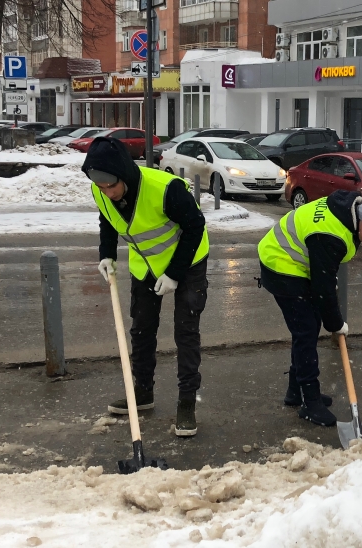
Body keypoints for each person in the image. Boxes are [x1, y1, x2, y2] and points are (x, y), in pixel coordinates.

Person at [82, 137, 210, 437]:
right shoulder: (101, 192)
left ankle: (187, 403)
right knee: (141, 328)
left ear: (124, 175)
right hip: (146, 266)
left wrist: (175, 274)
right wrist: (107, 255)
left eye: (111, 186)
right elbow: (107, 220)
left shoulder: (166, 189)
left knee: (185, 332)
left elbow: (195, 227)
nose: (107, 193)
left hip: (187, 262)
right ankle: (142, 392)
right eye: (101, 187)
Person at [258, 190, 362, 426]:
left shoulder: (346, 213)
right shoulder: (331, 234)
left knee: (308, 327)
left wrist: (329, 298)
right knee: (306, 329)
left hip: (297, 262)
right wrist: (337, 324)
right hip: (281, 264)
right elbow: (323, 289)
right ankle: (310, 403)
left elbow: (326, 274)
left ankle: (296, 392)